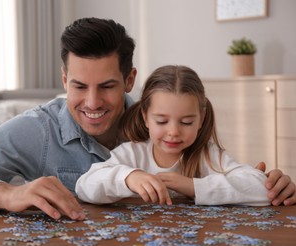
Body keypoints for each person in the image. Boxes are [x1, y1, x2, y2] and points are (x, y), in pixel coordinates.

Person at [0, 18, 296, 220]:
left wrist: (271, 184)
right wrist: (8, 193)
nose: (92, 102)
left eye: (108, 86)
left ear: (130, 80)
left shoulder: (162, 121)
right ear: (64, 79)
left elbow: (232, 175)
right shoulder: (37, 129)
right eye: (79, 86)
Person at [76, 65, 276, 206]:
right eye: (161, 121)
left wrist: (193, 186)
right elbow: (85, 186)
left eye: (186, 122)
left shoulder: (210, 156)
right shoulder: (131, 154)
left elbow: (262, 189)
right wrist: (128, 177)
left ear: (201, 118)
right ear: (145, 117)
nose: (173, 132)